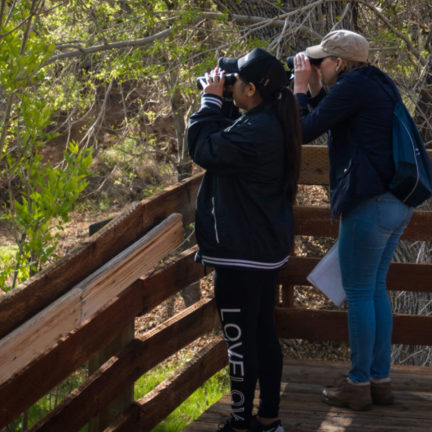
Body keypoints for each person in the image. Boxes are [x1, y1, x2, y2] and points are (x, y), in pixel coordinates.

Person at [293, 29, 414, 410]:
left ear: (339, 63)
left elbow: (303, 130)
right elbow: (335, 118)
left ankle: (359, 383)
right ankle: (380, 380)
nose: (316, 66)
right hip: (397, 202)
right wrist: (314, 90)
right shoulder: (375, 83)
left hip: (371, 203)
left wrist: (298, 90)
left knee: (360, 292)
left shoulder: (352, 87)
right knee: (374, 288)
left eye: (321, 61)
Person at [187, 48, 302, 432]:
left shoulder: (256, 130)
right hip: (263, 250)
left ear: (251, 89)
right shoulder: (271, 120)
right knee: (264, 336)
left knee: (240, 342)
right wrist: (220, 102)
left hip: (241, 254)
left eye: (234, 81)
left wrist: (208, 102)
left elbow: (204, 148)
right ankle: (268, 420)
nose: (227, 84)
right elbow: (227, 137)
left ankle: (240, 424)